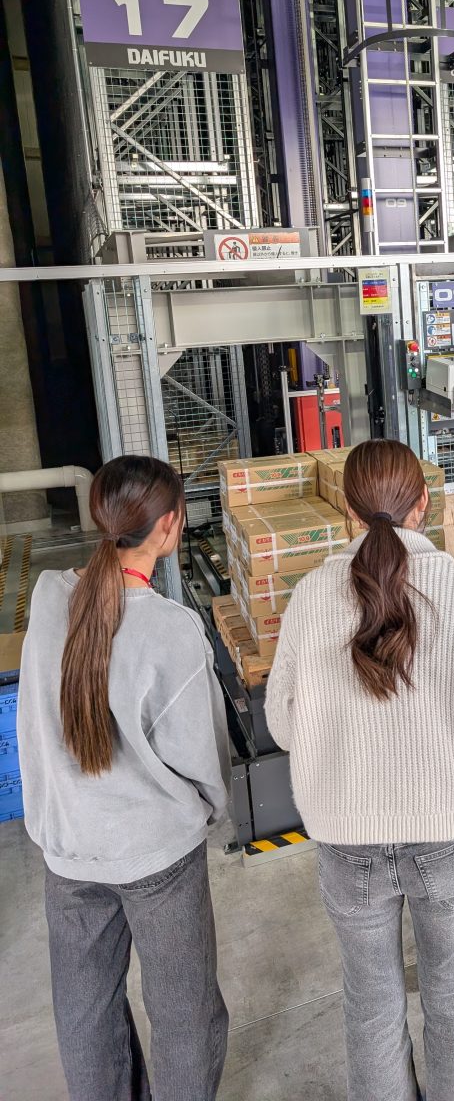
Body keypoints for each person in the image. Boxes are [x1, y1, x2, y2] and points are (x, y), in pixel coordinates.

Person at [266, 438, 454, 1101]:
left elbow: (281, 723)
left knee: (370, 1000)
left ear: (349, 511)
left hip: (346, 837)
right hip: (450, 833)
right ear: (423, 505)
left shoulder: (311, 596)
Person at [16, 455, 232, 1100]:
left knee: (86, 1009)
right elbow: (203, 759)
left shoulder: (47, 596)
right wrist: (208, 811)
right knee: (184, 1012)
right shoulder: (170, 629)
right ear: (168, 526)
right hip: (157, 854)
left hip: (68, 847)